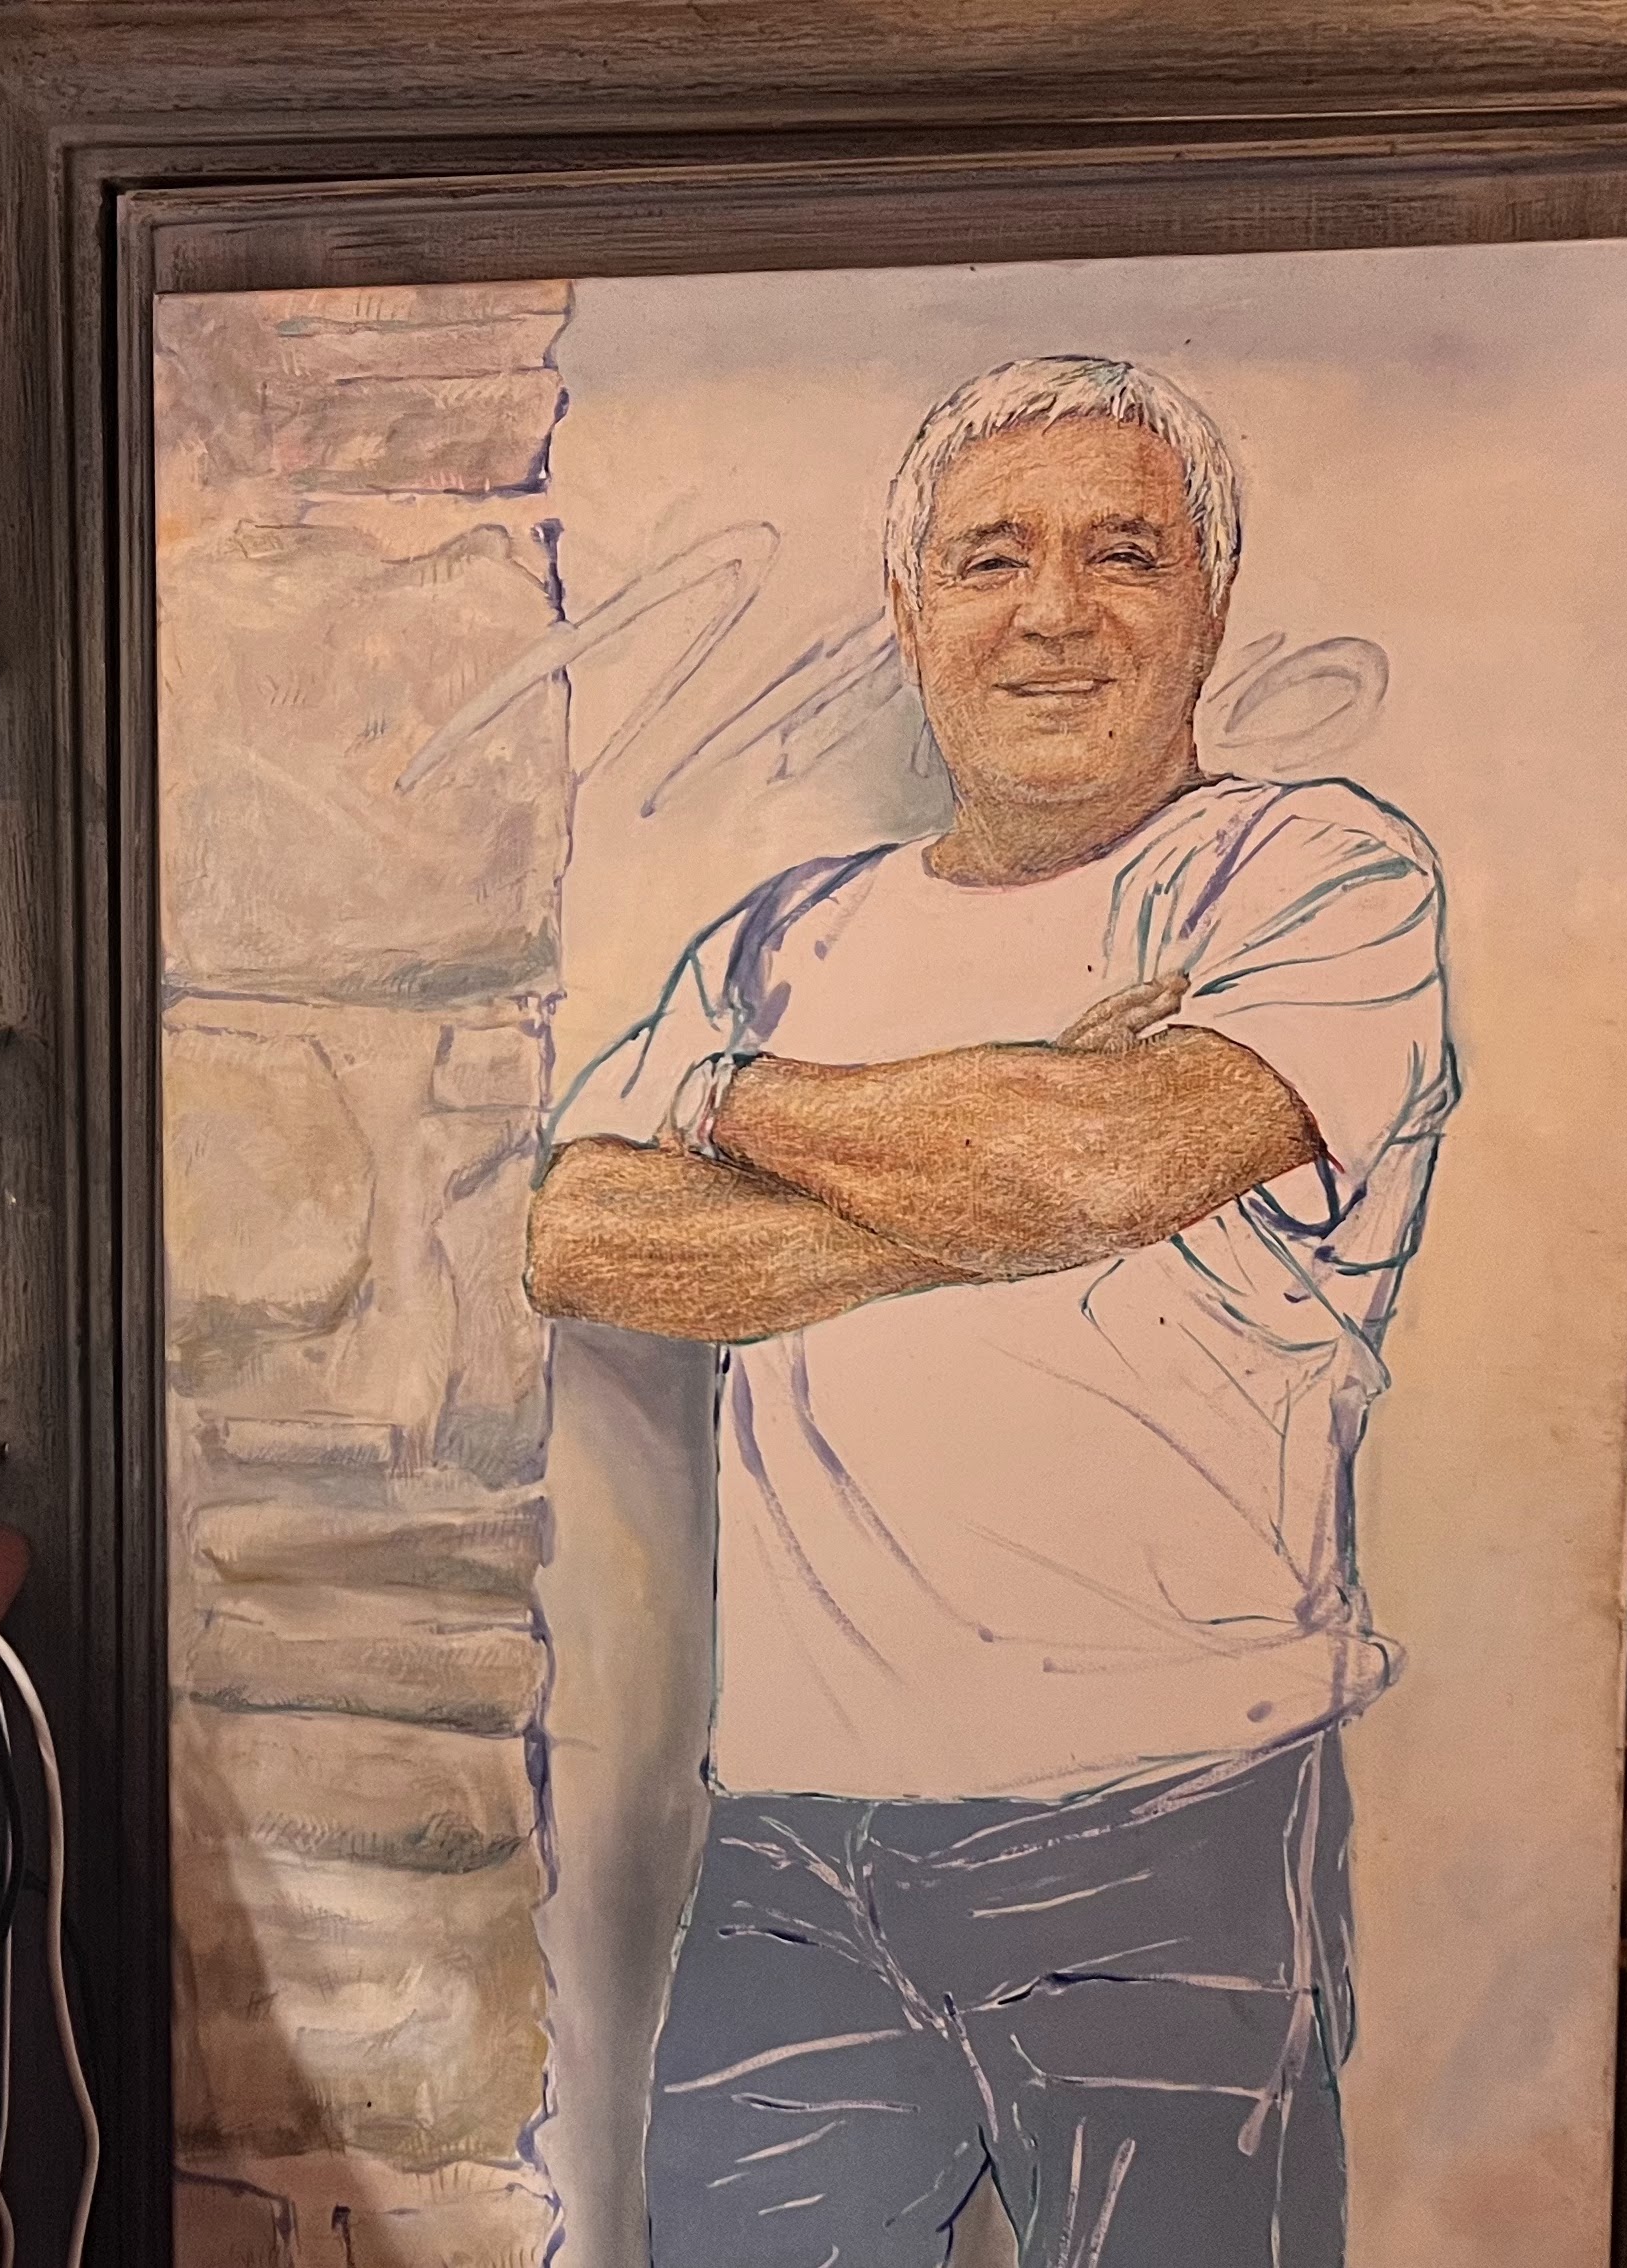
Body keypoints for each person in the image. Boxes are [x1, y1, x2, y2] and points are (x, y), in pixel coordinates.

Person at [528, 354, 1460, 2266]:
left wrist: (737, 1104)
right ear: (909, 610)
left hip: (1172, 1832)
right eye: (990, 558)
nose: (1055, 611)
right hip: (791, 1844)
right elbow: (583, 1233)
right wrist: (995, 1180)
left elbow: (1110, 1159)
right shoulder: (787, 931)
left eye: (1125, 552)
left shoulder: (1314, 873)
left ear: (1212, 600)